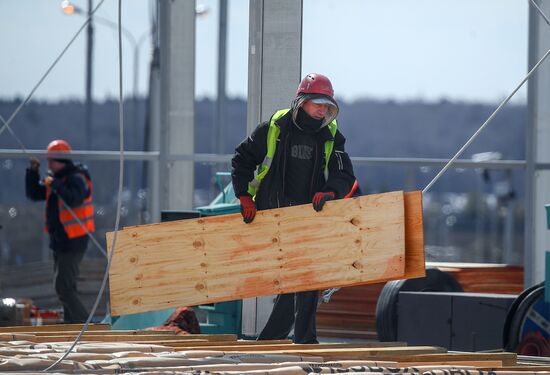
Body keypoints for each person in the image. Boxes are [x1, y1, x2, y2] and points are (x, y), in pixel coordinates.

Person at [231, 73, 358, 344]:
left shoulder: (332, 137)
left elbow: (344, 174)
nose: (322, 110)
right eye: (317, 104)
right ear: (302, 103)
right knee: (295, 279)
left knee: (306, 277)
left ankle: (298, 340)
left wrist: (330, 191)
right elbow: (242, 159)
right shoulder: (274, 128)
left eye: (327, 106)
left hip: (310, 216)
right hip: (271, 214)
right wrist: (243, 195)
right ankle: (282, 339)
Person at [25, 139, 94, 323]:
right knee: (67, 287)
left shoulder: (76, 178)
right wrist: (33, 172)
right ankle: (72, 325)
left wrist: (55, 184)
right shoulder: (57, 180)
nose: (49, 164)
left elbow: (74, 199)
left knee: (62, 287)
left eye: (51, 161)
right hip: (60, 240)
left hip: (74, 240)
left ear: (61, 161)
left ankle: (84, 325)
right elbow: (34, 194)